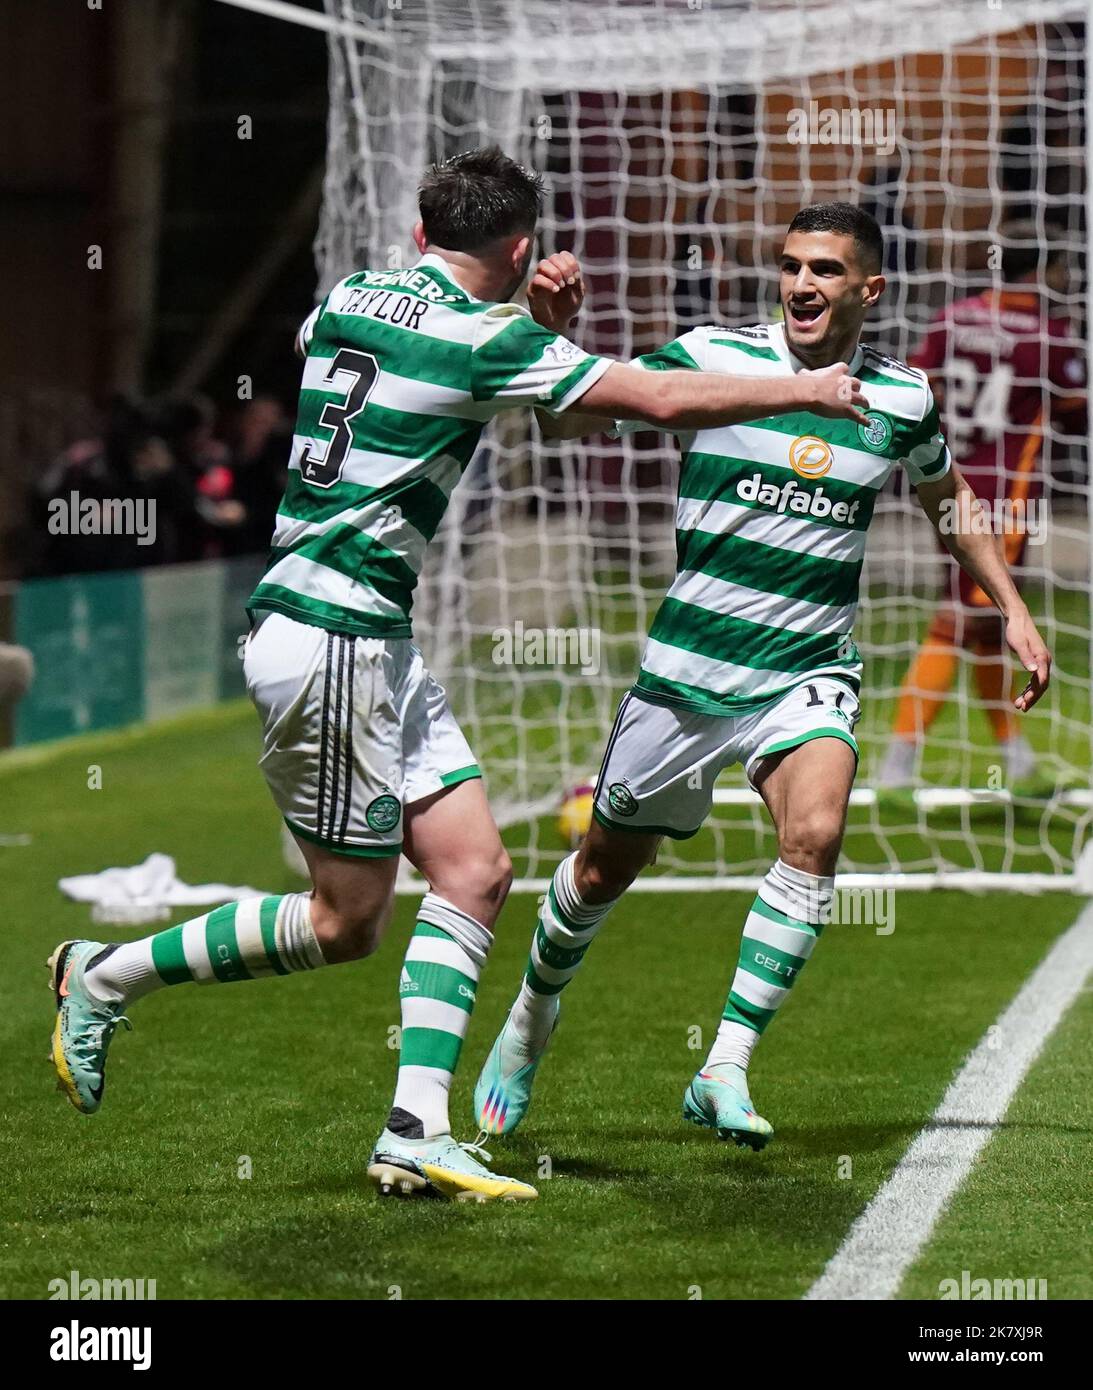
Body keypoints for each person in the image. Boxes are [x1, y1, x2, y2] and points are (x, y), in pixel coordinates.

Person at [48, 150, 868, 1201]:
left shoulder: (350, 297)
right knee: (346, 920)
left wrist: (536, 325)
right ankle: (103, 975)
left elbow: (482, 369)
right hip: (330, 632)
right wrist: (805, 389)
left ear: (425, 228)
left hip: (367, 637)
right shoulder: (485, 337)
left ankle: (415, 1127)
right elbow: (654, 400)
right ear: (522, 247)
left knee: (476, 873)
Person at [473, 203, 1052, 1153]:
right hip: (685, 675)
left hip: (807, 669)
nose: (801, 285)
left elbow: (947, 498)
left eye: (824, 269)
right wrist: (550, 332)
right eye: (790, 267)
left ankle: (723, 1065)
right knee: (600, 870)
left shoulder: (902, 398)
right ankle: (532, 1011)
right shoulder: (712, 357)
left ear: (868, 288)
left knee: (815, 833)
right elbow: (570, 416)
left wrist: (1011, 605)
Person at [876, 225, 1085, 792]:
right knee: (957, 620)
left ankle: (1015, 758)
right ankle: (897, 760)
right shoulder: (1049, 337)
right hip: (1004, 498)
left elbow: (922, 385)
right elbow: (1075, 412)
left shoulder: (953, 318)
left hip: (947, 479)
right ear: (1045, 271)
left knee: (986, 628)